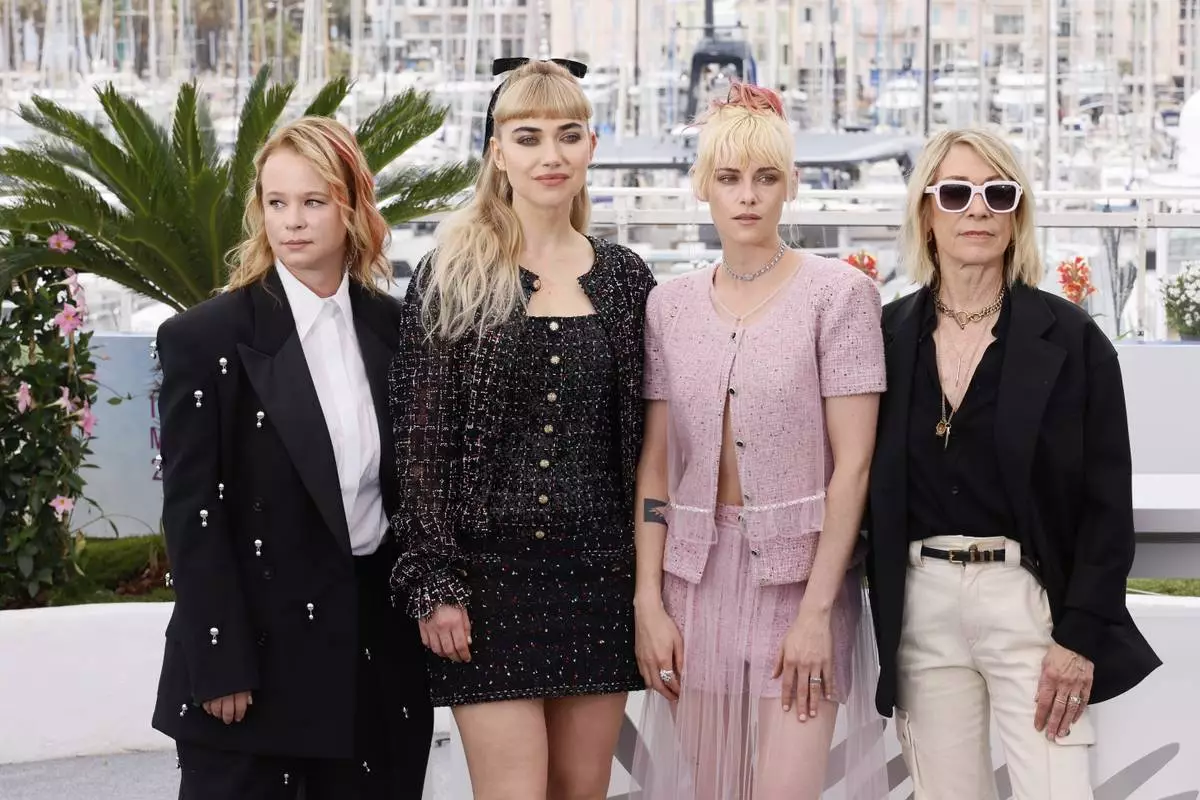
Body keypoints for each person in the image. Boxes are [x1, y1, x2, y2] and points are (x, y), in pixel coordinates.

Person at [388, 58, 656, 800]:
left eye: (568, 135)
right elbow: (421, 447)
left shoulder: (628, 278)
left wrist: (651, 587)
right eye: (529, 136)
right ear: (498, 150)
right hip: (486, 585)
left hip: (600, 578)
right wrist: (435, 581)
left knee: (581, 789)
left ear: (591, 147)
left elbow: (649, 444)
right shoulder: (453, 274)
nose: (551, 155)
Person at [866, 127, 1162, 799]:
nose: (978, 209)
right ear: (926, 213)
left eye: (998, 193)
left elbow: (1107, 504)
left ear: (1016, 214)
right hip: (921, 608)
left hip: (1029, 608)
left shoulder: (1073, 339)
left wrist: (1079, 636)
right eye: (957, 193)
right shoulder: (884, 335)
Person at [151, 116, 432, 798]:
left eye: (312, 202)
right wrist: (218, 661)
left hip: (375, 659)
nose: (292, 222)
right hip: (254, 662)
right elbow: (195, 514)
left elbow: (412, 491)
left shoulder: (397, 327)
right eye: (276, 203)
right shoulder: (204, 338)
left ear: (352, 206)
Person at [630, 83, 889, 800]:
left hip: (801, 586)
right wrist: (648, 604)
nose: (748, 196)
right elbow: (656, 468)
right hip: (692, 583)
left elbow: (855, 466)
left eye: (766, 178)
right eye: (730, 178)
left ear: (790, 186)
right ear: (703, 187)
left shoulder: (837, 296)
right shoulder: (668, 305)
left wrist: (815, 612)